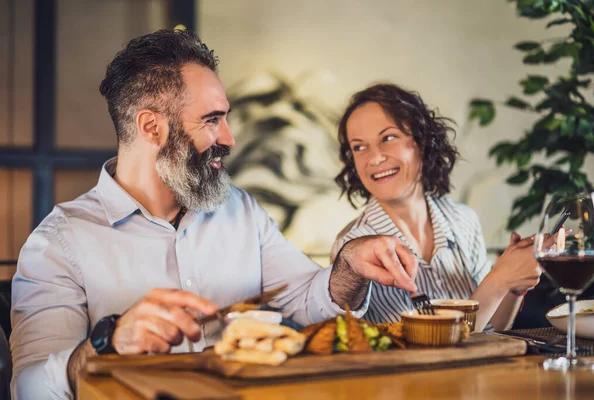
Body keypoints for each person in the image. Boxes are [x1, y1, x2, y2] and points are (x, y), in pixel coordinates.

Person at [10, 31, 418, 400]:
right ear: (152, 127)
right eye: (212, 120)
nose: (229, 137)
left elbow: (302, 298)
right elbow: (30, 388)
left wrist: (348, 264)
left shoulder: (240, 209)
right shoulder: (58, 242)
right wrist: (109, 342)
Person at [331, 83, 542, 332]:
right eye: (359, 147)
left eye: (388, 138)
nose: (375, 158)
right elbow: (424, 343)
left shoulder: (463, 219)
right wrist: (499, 279)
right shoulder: (354, 247)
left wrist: (513, 285)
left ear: (422, 142)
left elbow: (492, 328)